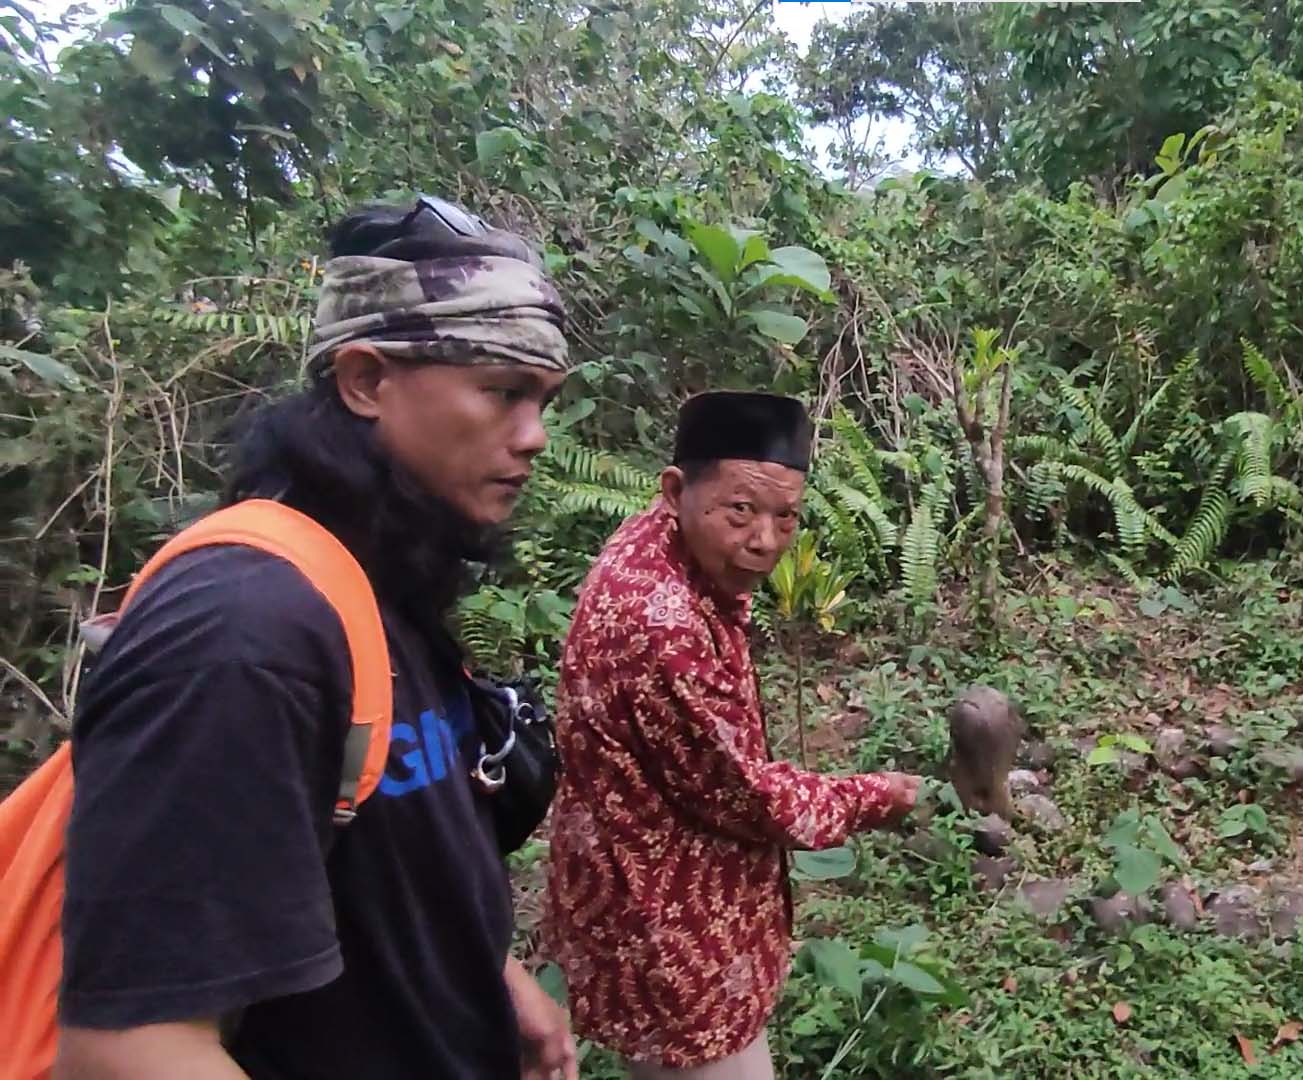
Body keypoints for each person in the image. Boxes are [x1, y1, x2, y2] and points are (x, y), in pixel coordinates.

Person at [53, 195, 578, 1080]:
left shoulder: (374, 582)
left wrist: (492, 974)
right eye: (501, 392)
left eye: (543, 401)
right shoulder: (243, 633)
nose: (533, 439)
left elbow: (371, 861)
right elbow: (128, 1048)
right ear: (366, 380)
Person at [544, 391, 922, 1079]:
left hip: (648, 887)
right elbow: (748, 794)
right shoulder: (662, 626)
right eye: (741, 512)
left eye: (787, 517)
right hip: (670, 927)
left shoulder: (655, 544)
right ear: (675, 490)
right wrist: (877, 796)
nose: (766, 543)